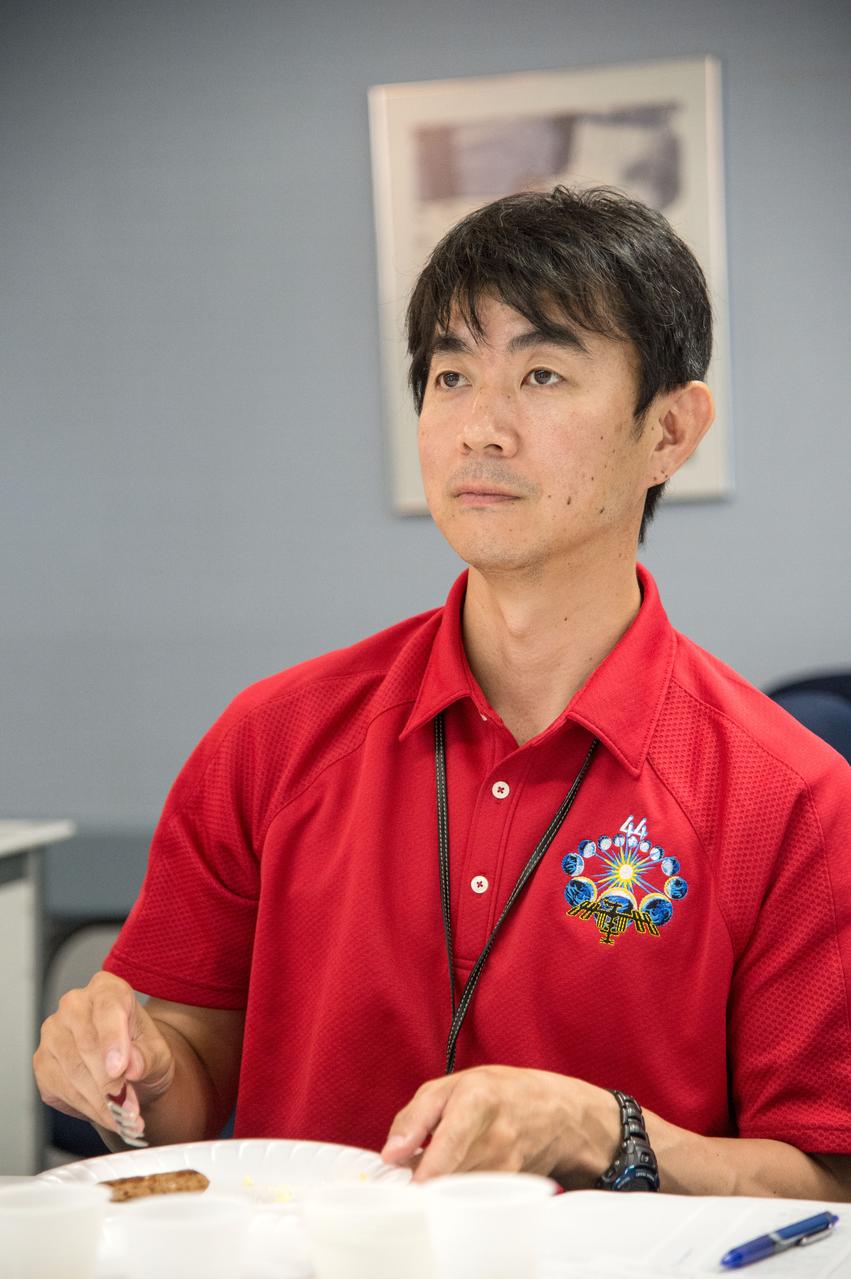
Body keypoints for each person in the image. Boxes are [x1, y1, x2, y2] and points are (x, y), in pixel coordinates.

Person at [35, 186, 851, 1198]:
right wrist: (135, 1069)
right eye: (451, 376)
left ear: (669, 430)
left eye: (542, 373)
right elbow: (191, 1081)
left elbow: (827, 1183)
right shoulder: (268, 739)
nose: (480, 428)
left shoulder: (792, 796)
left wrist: (603, 1130)